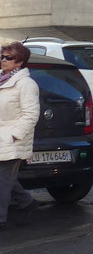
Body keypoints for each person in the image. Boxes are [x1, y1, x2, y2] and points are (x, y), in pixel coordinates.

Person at [0, 41, 40, 230]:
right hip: (2, 137)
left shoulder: (26, 84)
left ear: (20, 62)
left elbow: (31, 114)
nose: (3, 60)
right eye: (2, 56)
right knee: (5, 179)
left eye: (9, 58)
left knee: (2, 181)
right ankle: (27, 203)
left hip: (12, 140)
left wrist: (15, 135)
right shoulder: (2, 80)